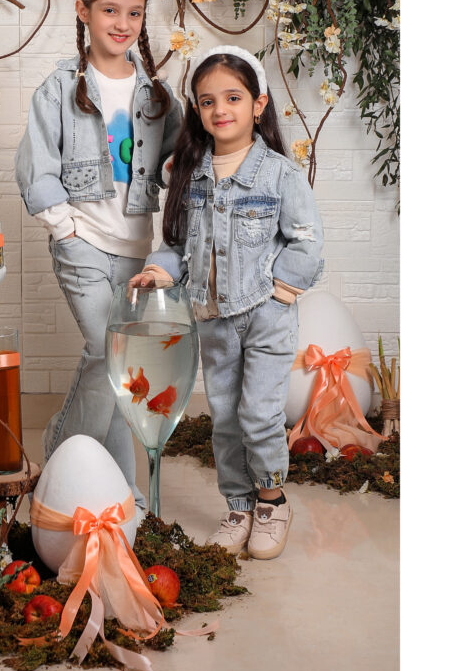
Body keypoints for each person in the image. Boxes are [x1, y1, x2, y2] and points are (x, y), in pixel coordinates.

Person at [129, 45, 323, 559]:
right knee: (226, 419)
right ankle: (238, 506)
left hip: (265, 316)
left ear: (258, 105)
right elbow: (177, 244)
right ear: (196, 109)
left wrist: (280, 294)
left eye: (233, 98)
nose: (220, 110)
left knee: (259, 415)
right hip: (211, 317)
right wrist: (159, 270)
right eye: (208, 100)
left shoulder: (280, 175)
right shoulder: (189, 174)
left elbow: (306, 241)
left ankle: (271, 501)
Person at [15, 0, 183, 512]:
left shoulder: (158, 97)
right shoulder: (60, 89)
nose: (122, 23)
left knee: (117, 369)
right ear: (84, 11)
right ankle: (70, 462)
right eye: (110, 10)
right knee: (106, 354)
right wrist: (64, 228)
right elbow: (36, 167)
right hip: (83, 244)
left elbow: (182, 162)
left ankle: (108, 484)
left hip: (137, 251)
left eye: (134, 13)